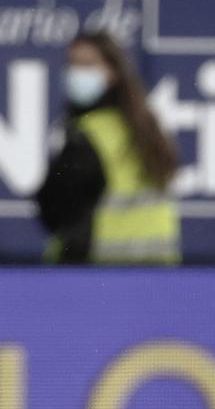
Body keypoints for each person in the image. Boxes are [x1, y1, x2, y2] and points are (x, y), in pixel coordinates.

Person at [36, 31, 181, 265]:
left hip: (102, 277)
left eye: (87, 64)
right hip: (157, 275)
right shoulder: (145, 128)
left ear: (113, 72)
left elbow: (60, 215)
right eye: (72, 64)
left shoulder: (88, 137)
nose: (76, 73)